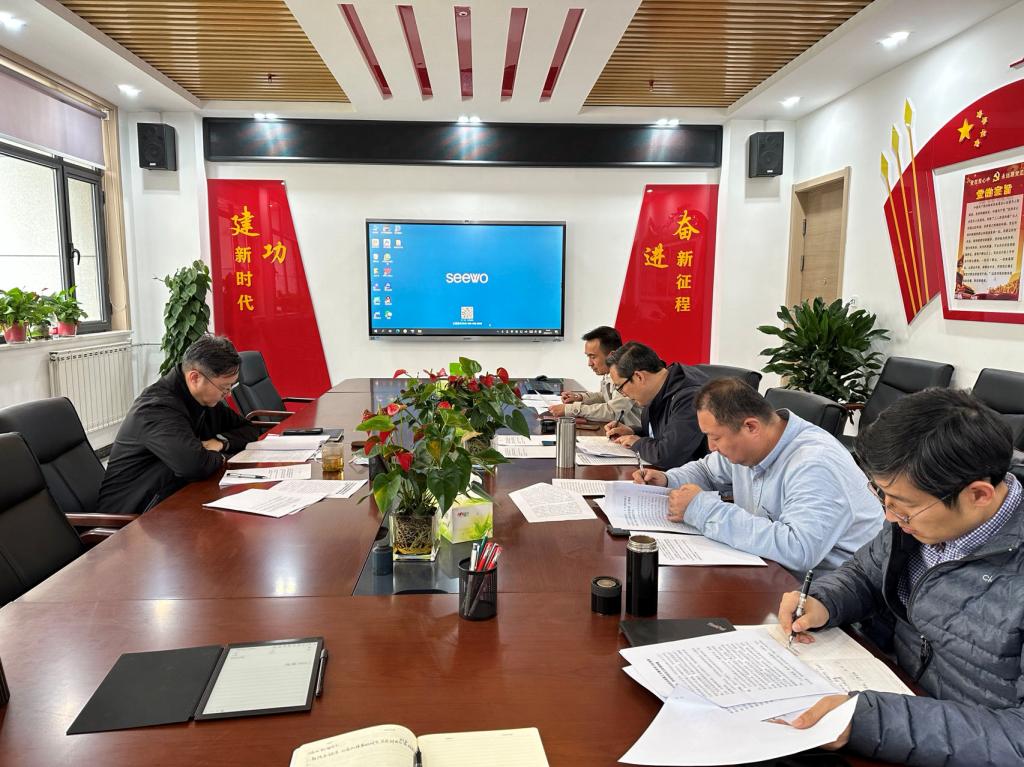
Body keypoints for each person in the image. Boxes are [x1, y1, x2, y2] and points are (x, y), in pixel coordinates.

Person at [779, 388, 1024, 766]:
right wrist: (824, 600)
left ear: (978, 495)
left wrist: (869, 721)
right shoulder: (919, 515)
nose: (889, 517)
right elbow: (866, 572)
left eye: (903, 508)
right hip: (896, 688)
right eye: (882, 496)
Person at [633, 377, 882, 573]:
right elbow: (706, 470)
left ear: (751, 426)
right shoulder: (750, 446)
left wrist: (703, 510)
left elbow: (799, 549)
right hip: (770, 571)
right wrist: (668, 479)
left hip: (831, 596)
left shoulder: (815, 463)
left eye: (715, 437)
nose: (711, 446)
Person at [97, 335, 259, 515]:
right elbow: (194, 465)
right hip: (132, 517)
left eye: (230, 387)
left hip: (173, 501)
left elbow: (250, 429)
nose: (227, 394)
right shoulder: (156, 409)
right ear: (195, 378)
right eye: (224, 387)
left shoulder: (203, 400)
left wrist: (221, 443)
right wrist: (221, 457)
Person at [605, 341, 708, 468]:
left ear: (639, 377)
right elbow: (666, 432)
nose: (623, 393)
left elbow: (668, 455)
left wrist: (637, 443)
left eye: (620, 387)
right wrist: (633, 431)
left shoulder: (689, 397)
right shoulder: (660, 387)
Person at [547, 326, 640, 427]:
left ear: (612, 355)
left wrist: (570, 409)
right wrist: (580, 398)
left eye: (593, 357)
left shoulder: (626, 376)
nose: (589, 363)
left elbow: (613, 412)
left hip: (636, 433)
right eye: (588, 357)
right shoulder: (609, 373)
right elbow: (605, 396)